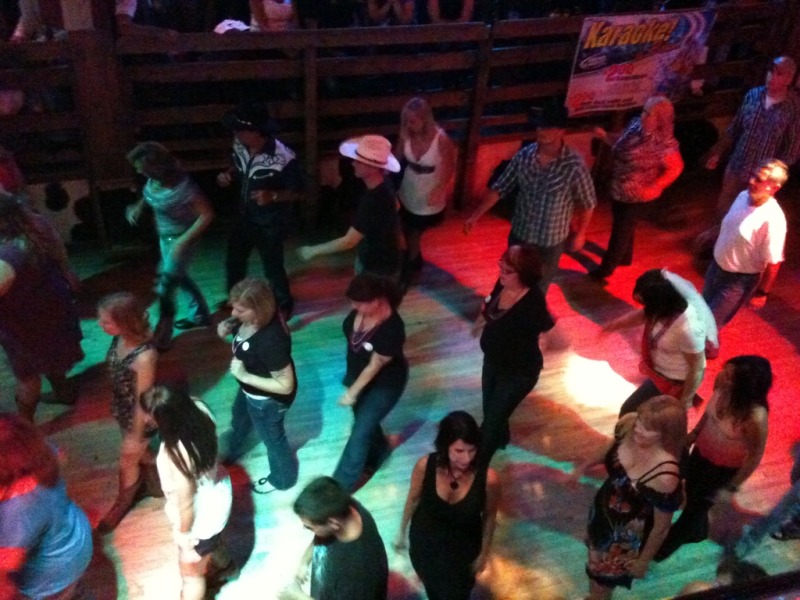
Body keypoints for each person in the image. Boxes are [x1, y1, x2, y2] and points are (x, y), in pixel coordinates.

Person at [464, 102, 596, 294]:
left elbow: (588, 201)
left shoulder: (573, 165)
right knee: (508, 281)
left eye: (547, 127)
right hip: (521, 235)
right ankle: (498, 310)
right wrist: (476, 215)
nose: (541, 131)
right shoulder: (524, 156)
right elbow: (500, 187)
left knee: (537, 290)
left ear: (561, 131)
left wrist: (581, 233)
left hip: (549, 243)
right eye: (539, 126)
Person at [655, 355, 771, 561]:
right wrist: (693, 434)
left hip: (721, 471)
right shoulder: (722, 387)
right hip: (701, 454)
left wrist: (732, 486)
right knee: (691, 495)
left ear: (744, 386)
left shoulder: (754, 417)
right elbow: (709, 415)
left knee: (694, 510)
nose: (721, 375)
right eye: (725, 370)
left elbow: (755, 455)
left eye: (729, 376)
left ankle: (661, 551)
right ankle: (698, 531)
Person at [572, 395, 685, 600]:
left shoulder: (665, 475)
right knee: (595, 573)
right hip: (601, 516)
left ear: (666, 434)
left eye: (648, 428)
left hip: (622, 539)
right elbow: (609, 448)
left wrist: (643, 561)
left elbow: (661, 527)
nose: (638, 429)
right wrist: (583, 466)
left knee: (602, 583)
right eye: (640, 420)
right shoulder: (629, 426)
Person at [140, 387, 234, 600]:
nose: (145, 419)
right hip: (218, 491)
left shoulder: (177, 457)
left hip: (202, 516)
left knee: (190, 576)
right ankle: (226, 566)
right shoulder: (199, 408)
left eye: (149, 415)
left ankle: (223, 568)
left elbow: (187, 504)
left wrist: (184, 540)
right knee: (212, 541)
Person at [394, 411, 500, 600]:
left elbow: (490, 516)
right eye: (459, 451)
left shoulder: (489, 479)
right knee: (432, 588)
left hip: (462, 554)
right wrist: (401, 532)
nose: (467, 458)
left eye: (472, 450)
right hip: (425, 546)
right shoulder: (424, 466)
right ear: (445, 445)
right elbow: (413, 499)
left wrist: (484, 553)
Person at [0, 191, 83, 421]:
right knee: (51, 354)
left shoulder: (8, 256)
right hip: (50, 305)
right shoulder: (33, 224)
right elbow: (58, 250)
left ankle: (25, 425)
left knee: (27, 374)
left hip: (25, 320)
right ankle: (64, 393)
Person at [218, 101, 305, 319]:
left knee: (272, 265)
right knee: (234, 260)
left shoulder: (284, 157)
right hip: (243, 215)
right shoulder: (239, 144)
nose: (235, 134)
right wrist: (228, 174)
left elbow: (300, 191)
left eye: (240, 130)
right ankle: (235, 299)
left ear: (256, 132)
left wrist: (272, 196)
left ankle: (284, 304)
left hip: (270, 221)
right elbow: (239, 166)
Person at [125, 142, 214, 350]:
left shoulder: (184, 187)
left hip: (182, 240)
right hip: (165, 238)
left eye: (142, 168)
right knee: (178, 277)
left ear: (156, 166)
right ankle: (200, 314)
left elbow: (207, 214)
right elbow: (150, 194)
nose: (139, 171)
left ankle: (164, 332)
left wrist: (183, 241)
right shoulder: (154, 180)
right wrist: (138, 206)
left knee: (167, 286)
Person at [472, 244, 554, 462]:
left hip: (519, 372)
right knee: (491, 409)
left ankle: (477, 466)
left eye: (507, 270)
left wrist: (547, 341)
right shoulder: (503, 284)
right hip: (493, 361)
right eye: (501, 265)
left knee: (491, 421)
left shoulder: (533, 302)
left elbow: (550, 328)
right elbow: (490, 306)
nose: (501, 272)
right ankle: (501, 438)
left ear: (524, 275)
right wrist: (479, 323)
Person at [217, 278, 298, 494]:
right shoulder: (251, 320)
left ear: (258, 309)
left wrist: (244, 375)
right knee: (240, 418)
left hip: (267, 401)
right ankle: (233, 449)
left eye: (240, 310)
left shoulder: (271, 341)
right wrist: (229, 325)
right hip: (250, 390)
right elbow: (244, 332)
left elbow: (285, 385)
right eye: (233, 307)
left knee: (273, 441)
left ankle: (283, 479)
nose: (233, 313)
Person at [590, 96, 684, 281]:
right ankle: (625, 258)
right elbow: (621, 142)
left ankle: (605, 271)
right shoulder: (636, 126)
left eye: (648, 114)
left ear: (660, 119)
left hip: (638, 195)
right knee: (624, 226)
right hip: (620, 187)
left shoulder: (663, 143)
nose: (642, 116)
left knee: (620, 231)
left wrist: (655, 186)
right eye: (643, 111)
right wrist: (605, 136)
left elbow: (676, 167)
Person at [0, 413, 93, 600]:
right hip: (75, 536)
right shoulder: (36, 453)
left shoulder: (18, 509)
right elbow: (62, 457)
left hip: (51, 575)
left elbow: (5, 567)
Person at [603, 269, 716, 415]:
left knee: (630, 412)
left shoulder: (688, 328)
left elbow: (697, 368)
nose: (644, 307)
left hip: (672, 382)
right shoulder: (662, 309)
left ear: (660, 302)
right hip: (660, 376)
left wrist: (685, 401)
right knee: (637, 413)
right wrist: (614, 325)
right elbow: (643, 315)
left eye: (646, 302)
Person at [331, 273, 408, 491]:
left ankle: (338, 489)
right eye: (352, 302)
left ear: (377, 300)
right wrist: (352, 382)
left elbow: (375, 365)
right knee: (364, 422)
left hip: (385, 385)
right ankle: (381, 448)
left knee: (359, 433)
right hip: (358, 376)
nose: (353, 307)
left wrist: (351, 393)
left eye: (358, 303)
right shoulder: (360, 312)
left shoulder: (392, 329)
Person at [702, 159, 788, 344]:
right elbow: (732, 224)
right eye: (753, 176)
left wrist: (762, 293)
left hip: (737, 282)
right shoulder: (743, 196)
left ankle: (700, 353)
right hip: (716, 268)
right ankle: (707, 349)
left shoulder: (773, 219)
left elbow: (774, 262)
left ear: (774, 188)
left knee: (708, 327)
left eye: (759, 180)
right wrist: (712, 235)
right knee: (701, 315)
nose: (751, 181)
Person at [703, 56, 799, 220]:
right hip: (737, 166)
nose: (772, 76)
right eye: (771, 71)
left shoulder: (794, 108)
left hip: (762, 179)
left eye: (779, 74)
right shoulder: (753, 95)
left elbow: (791, 150)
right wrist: (717, 152)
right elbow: (735, 127)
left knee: (748, 217)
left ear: (789, 79)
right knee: (724, 210)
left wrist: (772, 179)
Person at [96, 292, 160, 533]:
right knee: (140, 454)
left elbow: (143, 401)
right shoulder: (120, 338)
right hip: (123, 408)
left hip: (140, 417)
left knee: (127, 459)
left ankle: (124, 500)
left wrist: (135, 435)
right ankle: (156, 480)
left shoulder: (144, 356)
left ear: (124, 322)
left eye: (106, 322)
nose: (100, 325)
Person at [299, 135, 402, 281]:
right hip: (384, 259)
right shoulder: (385, 183)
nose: (353, 163)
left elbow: (349, 241)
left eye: (359, 161)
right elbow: (396, 206)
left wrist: (312, 250)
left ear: (372, 167)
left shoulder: (373, 200)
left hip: (376, 267)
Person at [280, 476, 388, 600]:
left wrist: (298, 596)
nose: (305, 528)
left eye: (310, 527)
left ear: (333, 523)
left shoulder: (357, 573)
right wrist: (304, 562)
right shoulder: (343, 508)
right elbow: (320, 535)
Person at [394, 97, 456, 287]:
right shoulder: (406, 134)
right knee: (406, 227)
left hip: (429, 189)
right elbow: (397, 158)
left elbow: (449, 167)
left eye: (413, 121)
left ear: (424, 119)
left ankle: (409, 268)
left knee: (414, 231)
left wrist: (439, 189)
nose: (409, 125)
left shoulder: (441, 139)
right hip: (409, 187)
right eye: (406, 121)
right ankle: (414, 260)